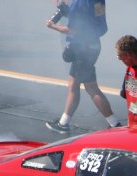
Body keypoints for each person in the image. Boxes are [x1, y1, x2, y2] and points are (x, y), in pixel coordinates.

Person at [45, 0, 121, 134]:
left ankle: (115, 124)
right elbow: (91, 20)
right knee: (73, 84)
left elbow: (72, 30)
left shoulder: (78, 2)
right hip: (93, 45)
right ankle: (64, 123)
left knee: (91, 88)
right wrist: (70, 13)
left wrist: (52, 26)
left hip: (82, 50)